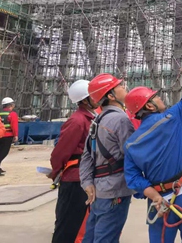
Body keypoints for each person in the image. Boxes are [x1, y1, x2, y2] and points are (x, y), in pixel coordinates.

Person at [124, 46, 182, 243]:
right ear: (149, 106)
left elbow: (133, 179)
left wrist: (154, 196)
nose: (160, 98)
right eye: (155, 97)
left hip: (159, 203)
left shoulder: (131, 144)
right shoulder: (172, 118)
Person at [79, 74, 135, 243]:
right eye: (120, 86)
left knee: (92, 237)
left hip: (99, 189)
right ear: (111, 95)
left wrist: (87, 182)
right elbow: (132, 155)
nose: (124, 88)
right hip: (114, 191)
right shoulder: (120, 119)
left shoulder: (97, 119)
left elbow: (87, 155)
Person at [50, 80, 99, 243]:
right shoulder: (77, 121)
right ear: (84, 100)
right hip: (75, 179)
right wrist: (56, 171)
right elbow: (61, 151)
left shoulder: (92, 117)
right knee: (68, 222)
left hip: (85, 176)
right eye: (93, 95)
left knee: (80, 220)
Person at [0, 97, 18, 177]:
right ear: (11, 105)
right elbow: (14, 126)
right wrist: (16, 135)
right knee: (2, 153)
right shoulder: (12, 114)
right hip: (7, 136)